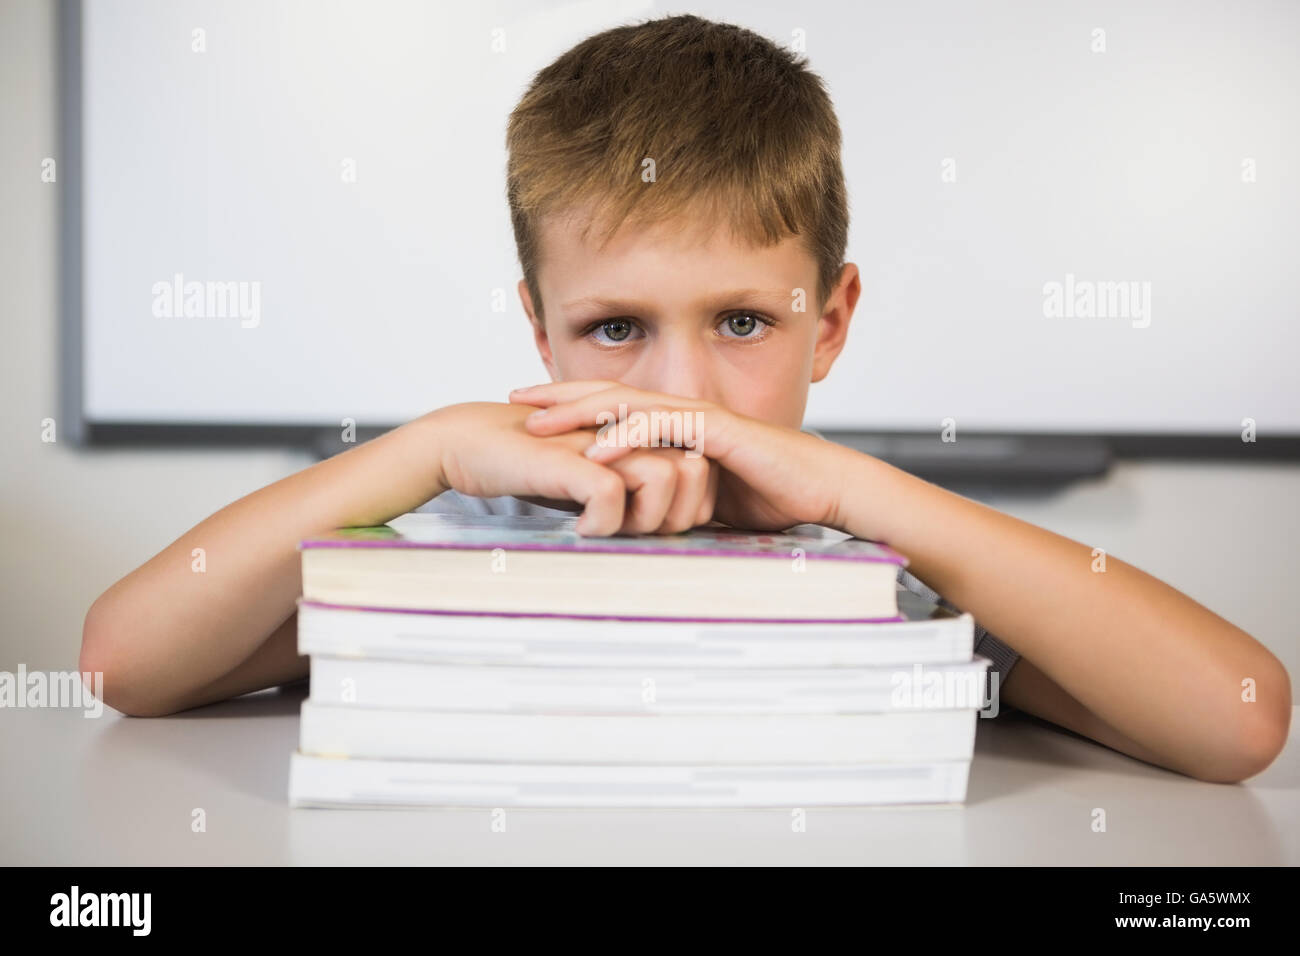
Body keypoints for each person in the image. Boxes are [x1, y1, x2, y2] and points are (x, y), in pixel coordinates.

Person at [81, 14, 1289, 783]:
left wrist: (865, 493)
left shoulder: (886, 569)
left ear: (834, 322)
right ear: (537, 331)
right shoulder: (449, 549)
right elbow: (121, 662)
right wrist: (433, 447)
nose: (679, 395)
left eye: (744, 321)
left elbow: (1235, 719)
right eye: (614, 329)